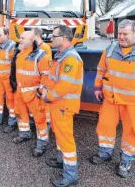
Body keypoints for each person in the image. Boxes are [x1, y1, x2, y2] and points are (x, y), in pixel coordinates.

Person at [90, 19, 135, 178]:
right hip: (111, 100)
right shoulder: (110, 49)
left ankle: (126, 160)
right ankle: (105, 152)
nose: (121, 37)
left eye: (125, 34)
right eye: (119, 33)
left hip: (134, 104)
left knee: (132, 133)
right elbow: (101, 70)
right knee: (105, 128)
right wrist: (97, 87)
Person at [41, 25, 83, 187]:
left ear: (64, 38)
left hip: (63, 106)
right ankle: (61, 161)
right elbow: (53, 80)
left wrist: (47, 96)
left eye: (54, 36)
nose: (50, 39)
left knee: (66, 140)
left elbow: (64, 86)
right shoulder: (60, 56)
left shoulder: (70, 58)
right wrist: (45, 90)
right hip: (57, 105)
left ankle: (71, 175)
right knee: (59, 135)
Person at [13, 30, 50, 157]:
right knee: (21, 114)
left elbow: (46, 76)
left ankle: (42, 143)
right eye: (20, 38)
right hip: (20, 92)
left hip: (34, 94)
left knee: (40, 119)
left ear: (31, 40)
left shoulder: (41, 55)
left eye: (23, 38)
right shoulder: (20, 55)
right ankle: (24, 134)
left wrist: (40, 91)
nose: (20, 40)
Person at [32, 27, 53, 129]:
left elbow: (47, 66)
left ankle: (47, 123)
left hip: (43, 80)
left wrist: (43, 84)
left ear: (36, 35)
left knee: (44, 101)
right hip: (38, 78)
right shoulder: (37, 47)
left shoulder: (45, 48)